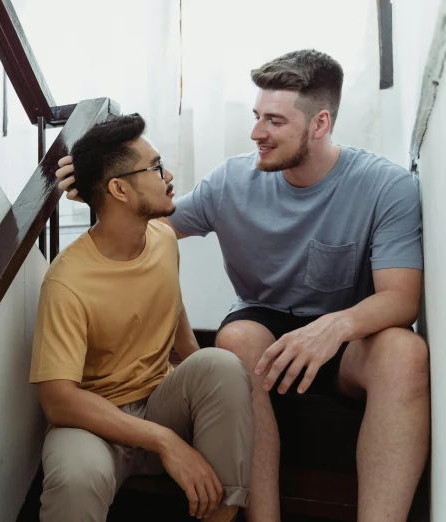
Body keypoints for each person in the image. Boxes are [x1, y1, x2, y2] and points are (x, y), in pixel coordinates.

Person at [55, 49, 429, 522]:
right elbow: (151, 227)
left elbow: (400, 299)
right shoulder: (233, 180)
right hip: (263, 328)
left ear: (319, 124)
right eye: (256, 116)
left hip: (350, 336)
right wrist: (99, 186)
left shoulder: (385, 187)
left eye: (273, 121)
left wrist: (334, 328)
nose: (256, 132)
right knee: (236, 340)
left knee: (407, 354)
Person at [31, 113, 254, 522]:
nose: (167, 174)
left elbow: (174, 314)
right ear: (118, 189)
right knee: (76, 476)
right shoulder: (67, 281)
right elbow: (58, 400)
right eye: (154, 167)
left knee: (220, 363)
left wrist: (199, 377)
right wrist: (165, 440)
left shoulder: (164, 239)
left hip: (160, 400)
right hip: (93, 423)